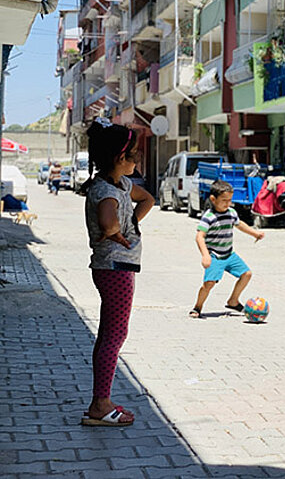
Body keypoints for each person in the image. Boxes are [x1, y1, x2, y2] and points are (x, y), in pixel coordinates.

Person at [80, 117, 154, 426]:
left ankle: (102, 399)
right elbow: (108, 220)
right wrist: (116, 233)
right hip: (114, 268)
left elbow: (147, 199)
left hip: (118, 266)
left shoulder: (121, 184)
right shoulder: (105, 191)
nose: (138, 158)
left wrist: (130, 225)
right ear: (118, 158)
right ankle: (101, 404)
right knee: (115, 334)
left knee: (110, 333)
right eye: (134, 153)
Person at [189, 180, 264, 319]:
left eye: (229, 200)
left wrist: (254, 233)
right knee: (209, 283)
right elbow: (199, 236)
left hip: (229, 254)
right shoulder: (209, 217)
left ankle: (233, 301)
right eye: (224, 200)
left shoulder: (231, 212)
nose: (227, 203)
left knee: (246, 274)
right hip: (215, 256)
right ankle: (197, 307)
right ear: (213, 199)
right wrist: (205, 255)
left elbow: (239, 224)